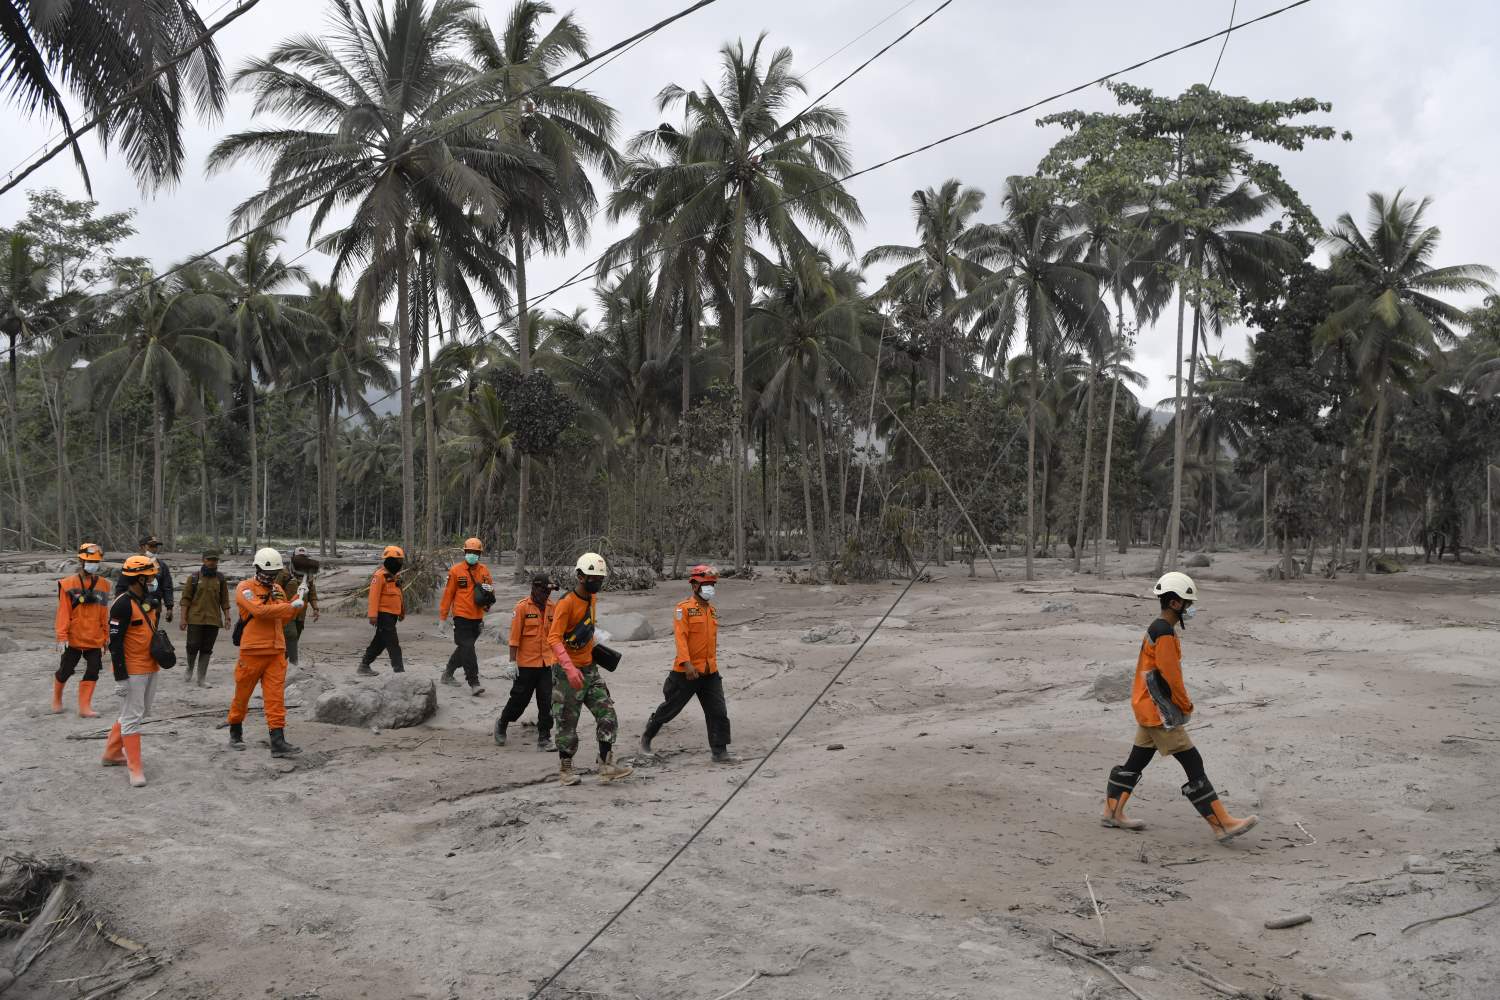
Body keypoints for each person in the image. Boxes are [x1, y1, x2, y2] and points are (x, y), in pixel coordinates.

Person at [1101, 572, 1258, 844]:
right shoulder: (1164, 633)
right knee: (1192, 761)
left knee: (1137, 760)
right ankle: (1222, 824)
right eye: (1187, 602)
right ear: (1175, 604)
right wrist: (1185, 705)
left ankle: (1113, 812)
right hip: (1160, 710)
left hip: (1146, 706)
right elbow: (1170, 675)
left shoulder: (1157, 627)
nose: (1190, 607)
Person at [546, 552, 632, 786]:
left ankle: (606, 764)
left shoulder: (592, 600)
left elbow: (588, 630)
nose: (597, 582)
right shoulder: (566, 603)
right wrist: (570, 668)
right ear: (581, 576)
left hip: (590, 669)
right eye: (593, 577)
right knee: (567, 723)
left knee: (607, 714)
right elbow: (553, 638)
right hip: (566, 672)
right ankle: (565, 769)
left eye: (600, 578)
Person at [640, 565, 736, 763]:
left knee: (718, 711)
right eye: (705, 584)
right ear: (694, 586)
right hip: (686, 672)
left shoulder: (712, 611)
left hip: (710, 671)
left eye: (712, 584)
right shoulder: (683, 609)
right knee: (670, 709)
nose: (709, 588)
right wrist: (687, 663)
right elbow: (680, 638)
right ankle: (646, 738)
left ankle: (720, 751)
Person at [226, 548, 306, 757]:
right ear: (257, 568)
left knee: (275, 698)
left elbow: (282, 617)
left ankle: (278, 742)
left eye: (274, 573)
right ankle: (235, 731)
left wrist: (298, 600)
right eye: (267, 572)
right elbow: (259, 612)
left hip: (276, 651)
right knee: (242, 696)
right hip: (252, 651)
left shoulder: (278, 589)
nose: (270, 577)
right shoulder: (245, 588)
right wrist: (290, 606)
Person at [102, 555, 171, 787]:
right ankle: (135, 769)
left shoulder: (149, 600)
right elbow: (115, 644)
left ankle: (112, 753)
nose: (154, 579)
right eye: (150, 576)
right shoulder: (122, 604)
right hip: (133, 671)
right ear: (140, 578)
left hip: (151, 665)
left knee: (138, 713)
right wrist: (120, 678)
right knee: (133, 717)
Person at [494, 573, 558, 750]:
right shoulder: (522, 608)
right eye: (544, 591)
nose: (547, 595)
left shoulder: (553, 608)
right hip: (526, 665)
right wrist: (511, 662)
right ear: (535, 589)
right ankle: (502, 723)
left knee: (546, 703)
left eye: (549, 592)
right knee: (519, 701)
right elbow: (514, 638)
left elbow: (556, 636)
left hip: (546, 665)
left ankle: (544, 738)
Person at [53, 542, 112, 718]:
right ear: (80, 560)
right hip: (73, 637)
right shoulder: (68, 584)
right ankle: (57, 698)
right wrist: (61, 636)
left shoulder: (104, 585)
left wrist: (106, 637)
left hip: (94, 637)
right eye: (89, 560)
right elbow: (63, 612)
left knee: (93, 670)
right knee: (65, 670)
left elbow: (103, 613)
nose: (93, 564)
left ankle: (85, 707)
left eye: (96, 561)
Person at [438, 537, 494, 696]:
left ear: (480, 554)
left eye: (475, 552)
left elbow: (489, 590)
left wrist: (488, 603)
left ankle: (448, 673)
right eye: (469, 552)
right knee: (468, 648)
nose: (472, 555)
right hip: (461, 616)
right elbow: (448, 595)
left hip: (477, 617)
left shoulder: (484, 571)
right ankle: (474, 682)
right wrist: (442, 618)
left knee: (465, 648)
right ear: (464, 552)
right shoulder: (455, 571)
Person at [178, 549, 231, 686]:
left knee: (207, 648)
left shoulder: (220, 579)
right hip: (195, 618)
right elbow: (185, 599)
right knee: (192, 645)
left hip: (213, 619)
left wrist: (227, 618)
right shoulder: (194, 578)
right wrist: (183, 618)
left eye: (215, 560)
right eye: (209, 560)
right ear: (203, 560)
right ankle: (190, 667)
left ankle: (201, 678)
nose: (212, 562)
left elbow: (224, 600)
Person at [357, 545, 406, 675]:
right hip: (383, 615)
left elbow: (398, 596)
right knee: (393, 643)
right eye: (398, 561)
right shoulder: (379, 576)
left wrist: (401, 612)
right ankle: (399, 671)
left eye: (401, 561)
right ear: (390, 560)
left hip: (392, 616)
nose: (400, 564)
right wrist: (372, 615)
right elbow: (373, 597)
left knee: (380, 642)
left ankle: (364, 665)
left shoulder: (394, 577)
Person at [275, 546, 320, 667]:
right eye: (299, 558)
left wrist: (315, 608)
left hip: (301, 615)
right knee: (291, 634)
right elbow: (275, 590)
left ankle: (280, 664)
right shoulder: (284, 574)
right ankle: (294, 664)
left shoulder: (308, 576)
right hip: (286, 612)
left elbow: (312, 594)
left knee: (292, 641)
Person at [138, 533, 175, 623]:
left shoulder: (161, 566)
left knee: (152, 634)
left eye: (156, 546)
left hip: (155, 607)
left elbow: (167, 587)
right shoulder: (133, 563)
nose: (154, 549)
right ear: (142, 547)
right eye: (151, 546)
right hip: (136, 607)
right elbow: (123, 586)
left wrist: (169, 607)